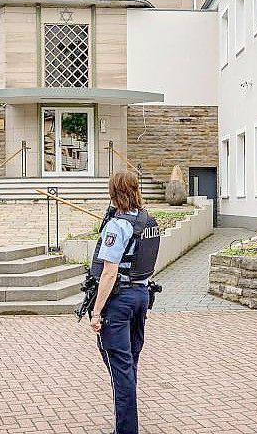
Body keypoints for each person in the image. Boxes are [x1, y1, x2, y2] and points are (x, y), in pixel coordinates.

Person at [89, 170, 161, 434]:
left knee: (121, 367)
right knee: (129, 362)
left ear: (113, 193)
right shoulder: (148, 222)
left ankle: (126, 430)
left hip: (119, 300)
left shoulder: (117, 226)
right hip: (141, 296)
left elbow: (109, 272)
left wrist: (96, 312)